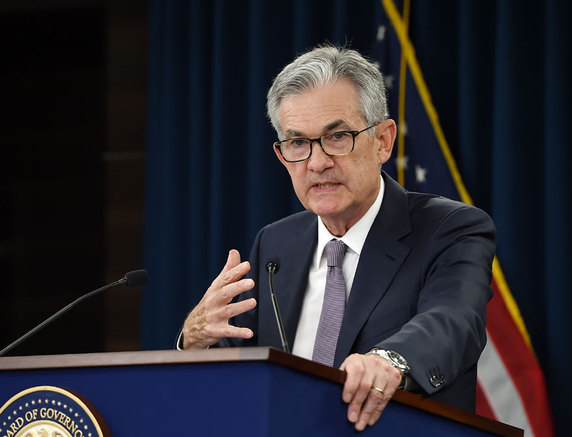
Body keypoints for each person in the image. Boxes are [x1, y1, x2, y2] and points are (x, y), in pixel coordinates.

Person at [178, 45, 496, 431]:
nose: (317, 162)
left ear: (383, 140)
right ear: (282, 155)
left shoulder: (450, 229)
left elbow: (453, 321)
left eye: (338, 136)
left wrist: (387, 362)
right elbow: (243, 361)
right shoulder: (275, 245)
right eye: (297, 143)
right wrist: (194, 342)